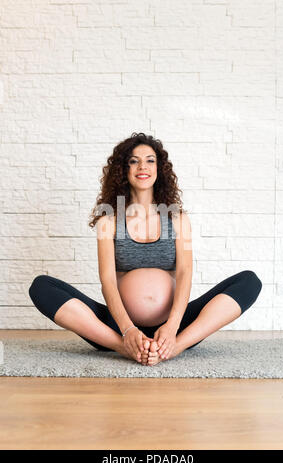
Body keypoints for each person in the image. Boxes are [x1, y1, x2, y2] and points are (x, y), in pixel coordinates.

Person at [28, 132, 263, 366]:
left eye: (150, 160)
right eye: (134, 160)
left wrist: (172, 329)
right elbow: (108, 280)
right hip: (117, 328)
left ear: (159, 169)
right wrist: (128, 331)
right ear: (123, 169)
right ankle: (125, 348)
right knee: (41, 287)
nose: (143, 166)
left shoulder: (178, 218)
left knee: (249, 281)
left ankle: (174, 348)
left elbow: (184, 274)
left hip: (176, 327)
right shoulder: (108, 220)